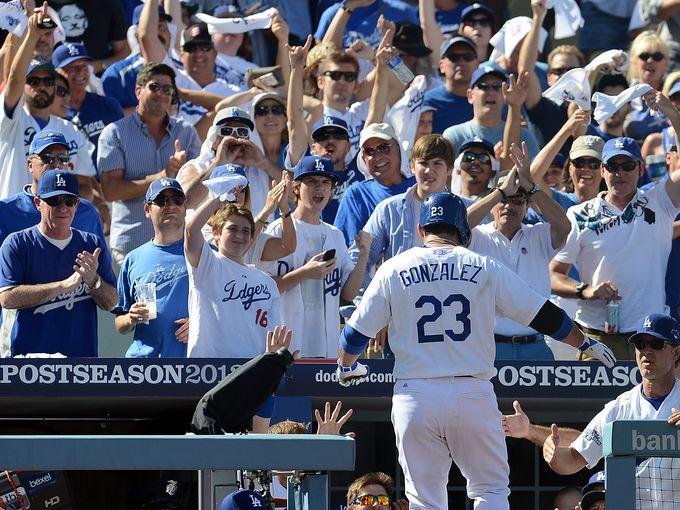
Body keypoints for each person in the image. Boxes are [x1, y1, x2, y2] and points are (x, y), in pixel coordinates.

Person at [335, 191, 615, 509]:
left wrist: (347, 366)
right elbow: (543, 315)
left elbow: (354, 335)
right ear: (465, 232)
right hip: (471, 391)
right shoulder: (482, 265)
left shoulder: (394, 267)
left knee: (423, 497)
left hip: (415, 394)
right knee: (490, 491)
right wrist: (585, 342)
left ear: (422, 230)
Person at [550, 101, 680, 360]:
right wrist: (585, 291)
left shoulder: (659, 200)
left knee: (651, 401)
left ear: (641, 169)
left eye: (628, 166)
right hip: (596, 334)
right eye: (612, 166)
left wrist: (672, 115)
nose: (619, 173)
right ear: (602, 170)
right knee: (591, 403)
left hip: (650, 336)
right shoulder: (580, 214)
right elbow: (554, 275)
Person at [543, 313, 680, 507]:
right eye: (640, 344)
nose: (647, 351)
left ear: (676, 353)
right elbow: (573, 459)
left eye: (656, 344)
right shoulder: (619, 407)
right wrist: (552, 453)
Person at [466, 143, 571, 360]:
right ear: (493, 198)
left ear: (527, 205)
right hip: (491, 346)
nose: (509, 206)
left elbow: (564, 226)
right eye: (504, 199)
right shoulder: (477, 236)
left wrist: (532, 188)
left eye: (517, 200)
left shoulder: (538, 235)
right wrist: (501, 191)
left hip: (536, 345)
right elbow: (456, 226)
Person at [0, 170, 117, 357]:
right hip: (28, 364)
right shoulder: (17, 244)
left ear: (77, 204)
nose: (63, 207)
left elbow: (111, 303)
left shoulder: (91, 244)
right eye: (54, 200)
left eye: (69, 200)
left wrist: (94, 281)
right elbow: (7, 298)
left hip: (80, 363)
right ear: (38, 203)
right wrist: (62, 286)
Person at [262, 156, 371, 358]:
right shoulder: (278, 230)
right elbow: (263, 289)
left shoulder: (335, 235)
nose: (319, 188)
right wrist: (303, 274)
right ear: (296, 188)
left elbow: (348, 293)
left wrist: (363, 256)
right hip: (287, 344)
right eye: (311, 181)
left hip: (326, 346)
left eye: (325, 182)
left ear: (331, 190)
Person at [98, 62, 201, 267]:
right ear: (138, 91)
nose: (161, 93)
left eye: (167, 89)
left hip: (178, 246)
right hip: (131, 245)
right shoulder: (115, 133)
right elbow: (110, 191)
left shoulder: (186, 132)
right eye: (154, 86)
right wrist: (162, 177)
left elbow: (198, 189)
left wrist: (184, 175)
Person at [184, 164, 281, 358]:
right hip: (208, 373)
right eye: (232, 229)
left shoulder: (267, 283)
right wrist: (217, 197)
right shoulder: (207, 264)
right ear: (216, 233)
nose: (240, 236)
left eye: (246, 231)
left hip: (251, 373)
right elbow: (190, 231)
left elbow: (273, 337)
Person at [0, 9, 96, 200]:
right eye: (33, 81)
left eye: (48, 82)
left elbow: (86, 186)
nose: (41, 87)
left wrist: (64, 199)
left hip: (54, 223)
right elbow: (14, 77)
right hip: (13, 217)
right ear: (24, 86)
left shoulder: (70, 130)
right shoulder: (10, 120)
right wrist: (32, 34)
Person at [114, 178, 190, 358]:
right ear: (147, 210)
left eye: (177, 199)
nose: (170, 205)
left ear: (185, 206)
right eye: (162, 200)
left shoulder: (206, 253)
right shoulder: (133, 259)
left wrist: (203, 324)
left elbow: (228, 308)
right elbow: (120, 323)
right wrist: (130, 317)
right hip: (144, 365)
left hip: (193, 366)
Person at [0, 129, 105, 248]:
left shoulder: (87, 211)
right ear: (30, 165)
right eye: (47, 158)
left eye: (62, 158)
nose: (56, 164)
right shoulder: (5, 211)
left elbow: (102, 262)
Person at [334, 122, 415, 244]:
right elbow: (347, 250)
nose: (377, 156)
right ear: (363, 159)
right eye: (369, 151)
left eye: (384, 147)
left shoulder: (418, 185)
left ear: (398, 148)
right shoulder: (357, 195)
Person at [442, 62, 541, 159]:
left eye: (497, 86)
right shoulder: (454, 136)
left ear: (504, 95)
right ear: (470, 95)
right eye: (483, 86)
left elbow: (536, 173)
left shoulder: (524, 136)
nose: (491, 92)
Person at [52, 42, 124, 162]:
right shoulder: (51, 113)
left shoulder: (108, 106)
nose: (80, 72)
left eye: (84, 66)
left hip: (108, 177)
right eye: (72, 68)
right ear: (57, 73)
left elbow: (124, 146)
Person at [423, 34, 478, 134]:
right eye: (454, 57)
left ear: (477, 63)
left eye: (468, 57)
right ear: (441, 66)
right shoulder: (427, 102)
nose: (462, 62)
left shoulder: (488, 100)